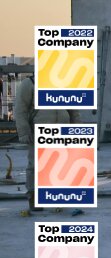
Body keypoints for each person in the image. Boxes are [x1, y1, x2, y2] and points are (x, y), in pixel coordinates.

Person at [14, 74, 80, 212]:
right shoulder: (29, 83)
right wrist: (24, 132)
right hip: (39, 131)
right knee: (35, 166)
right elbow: (20, 110)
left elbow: (73, 109)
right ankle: (34, 197)